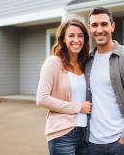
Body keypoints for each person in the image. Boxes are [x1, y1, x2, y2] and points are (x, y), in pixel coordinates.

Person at [84, 7, 124, 155]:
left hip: (121, 144)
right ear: (89, 28)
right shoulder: (87, 61)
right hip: (92, 144)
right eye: (94, 25)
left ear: (112, 26)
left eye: (104, 24)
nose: (99, 29)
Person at [36, 18, 92, 155]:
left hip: (86, 134)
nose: (76, 39)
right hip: (62, 135)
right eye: (71, 35)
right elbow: (42, 99)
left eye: (80, 36)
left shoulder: (86, 64)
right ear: (63, 39)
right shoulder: (54, 63)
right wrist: (78, 106)